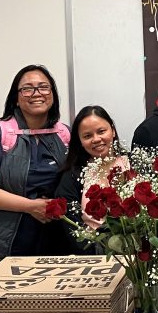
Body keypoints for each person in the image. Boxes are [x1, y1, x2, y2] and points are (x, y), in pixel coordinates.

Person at [0, 65, 71, 277]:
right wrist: (31, 206)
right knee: (3, 309)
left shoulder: (63, 133)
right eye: (27, 89)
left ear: (53, 94)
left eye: (43, 87)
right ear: (16, 97)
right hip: (1, 245)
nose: (37, 93)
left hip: (52, 242)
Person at [54, 105, 129, 254]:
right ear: (80, 141)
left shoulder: (134, 163)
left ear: (112, 131)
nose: (96, 139)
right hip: (95, 254)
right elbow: (72, 227)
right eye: (87, 136)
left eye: (101, 131)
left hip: (136, 253)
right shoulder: (73, 174)